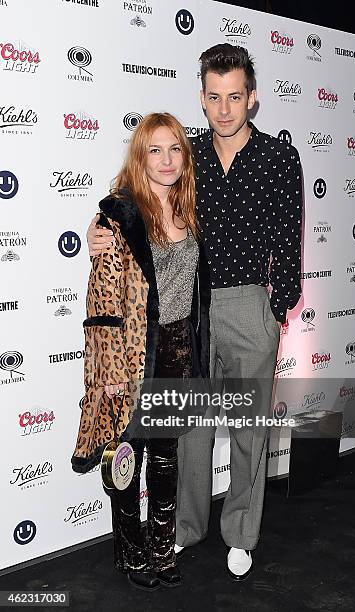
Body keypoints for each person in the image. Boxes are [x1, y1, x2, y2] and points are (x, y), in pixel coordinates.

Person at [87, 44, 303, 581]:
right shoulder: (190, 154)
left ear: (251, 98)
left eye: (235, 96)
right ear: (202, 99)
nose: (224, 108)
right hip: (194, 309)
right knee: (190, 428)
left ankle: (240, 535)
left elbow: (289, 238)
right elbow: (140, 190)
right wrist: (102, 226)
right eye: (214, 97)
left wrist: (275, 307)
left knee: (249, 428)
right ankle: (184, 527)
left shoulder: (279, 157)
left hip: (251, 304)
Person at [71, 112, 210, 591]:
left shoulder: (191, 208)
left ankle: (161, 549)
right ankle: (131, 552)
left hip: (177, 353)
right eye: (155, 149)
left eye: (175, 148)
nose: (167, 159)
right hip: (132, 356)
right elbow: (102, 302)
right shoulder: (118, 216)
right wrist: (109, 369)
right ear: (141, 156)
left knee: (167, 458)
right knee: (128, 455)